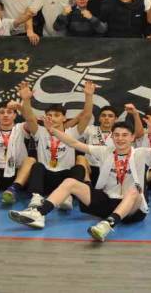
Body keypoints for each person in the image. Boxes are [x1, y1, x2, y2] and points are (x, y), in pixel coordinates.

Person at [8, 115, 151, 242]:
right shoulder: (105, 151)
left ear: (132, 137)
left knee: (134, 190)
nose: (120, 138)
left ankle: (107, 225)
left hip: (133, 209)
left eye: (125, 135)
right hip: (107, 202)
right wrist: (53, 131)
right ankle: (39, 214)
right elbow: (75, 144)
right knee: (70, 182)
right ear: (112, 137)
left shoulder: (142, 154)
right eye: (117, 135)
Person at [21, 81, 91, 209]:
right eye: (49, 115)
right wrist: (26, 100)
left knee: (79, 168)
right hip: (45, 179)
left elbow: (86, 117)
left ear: (64, 118)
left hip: (65, 181)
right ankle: (37, 196)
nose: (52, 118)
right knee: (37, 166)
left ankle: (67, 196)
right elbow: (30, 118)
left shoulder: (71, 133)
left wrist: (89, 96)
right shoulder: (40, 131)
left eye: (57, 115)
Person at [78, 101, 144, 183]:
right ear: (99, 118)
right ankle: (87, 183)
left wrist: (135, 114)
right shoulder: (90, 129)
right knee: (80, 158)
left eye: (110, 116)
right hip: (91, 167)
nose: (106, 118)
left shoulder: (120, 133)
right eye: (103, 115)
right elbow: (75, 133)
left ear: (116, 119)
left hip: (111, 169)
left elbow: (139, 134)